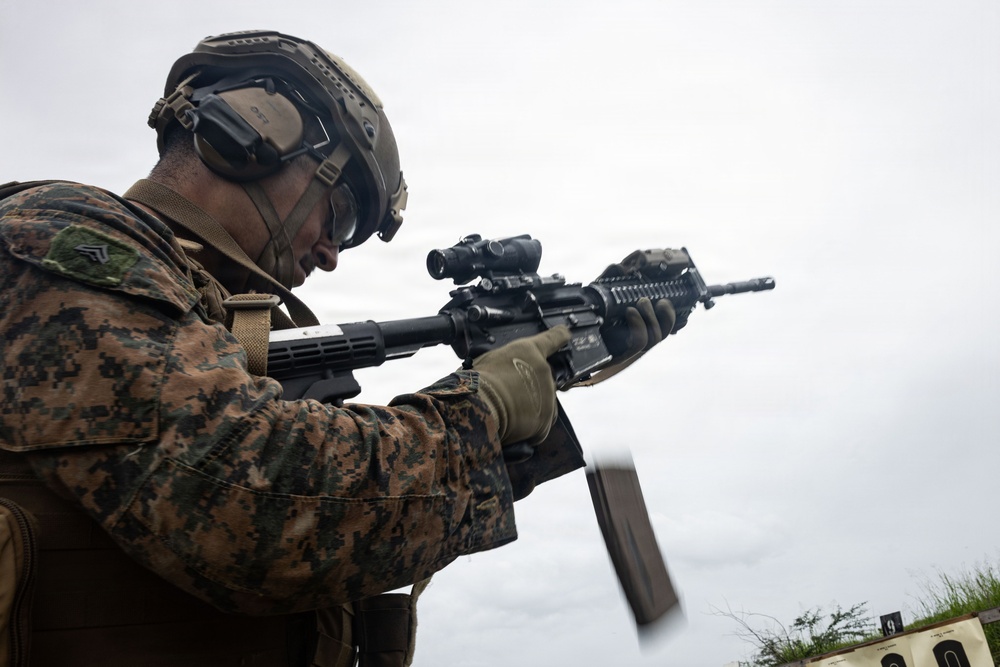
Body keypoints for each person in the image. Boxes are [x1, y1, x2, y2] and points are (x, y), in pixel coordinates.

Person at [0, 30, 674, 667]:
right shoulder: (55, 242)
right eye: (343, 216)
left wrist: (550, 371)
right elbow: (250, 500)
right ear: (256, 133)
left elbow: (350, 514)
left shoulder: (209, 322)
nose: (329, 254)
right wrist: (482, 410)